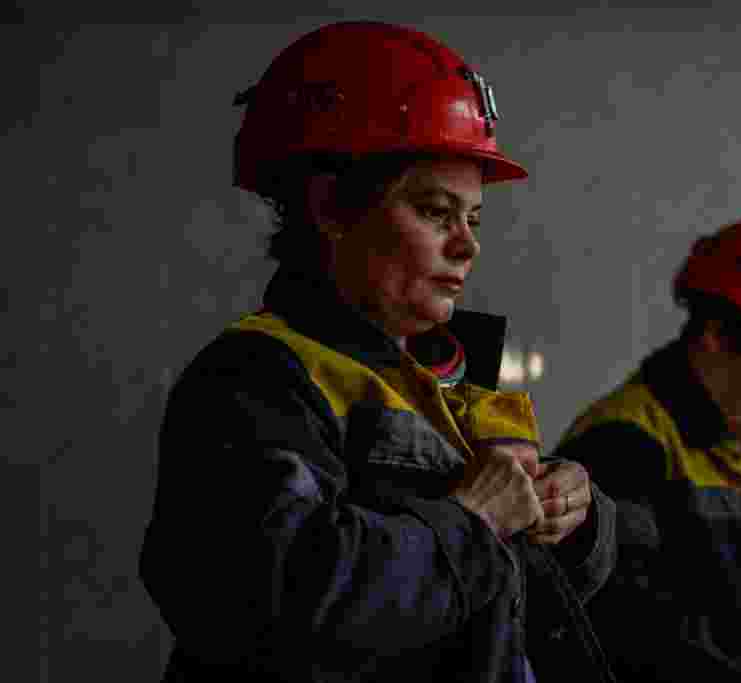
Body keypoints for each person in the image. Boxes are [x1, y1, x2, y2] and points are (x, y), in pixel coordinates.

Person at [139, 21, 617, 683]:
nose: (467, 245)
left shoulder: (458, 376)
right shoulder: (253, 380)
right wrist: (473, 522)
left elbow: (510, 609)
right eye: (435, 211)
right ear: (330, 205)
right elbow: (266, 607)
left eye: (473, 219)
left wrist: (578, 518)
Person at [550, 218, 741, 682]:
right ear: (716, 335)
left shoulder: (717, 448)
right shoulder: (623, 444)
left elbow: (719, 600)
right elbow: (629, 634)